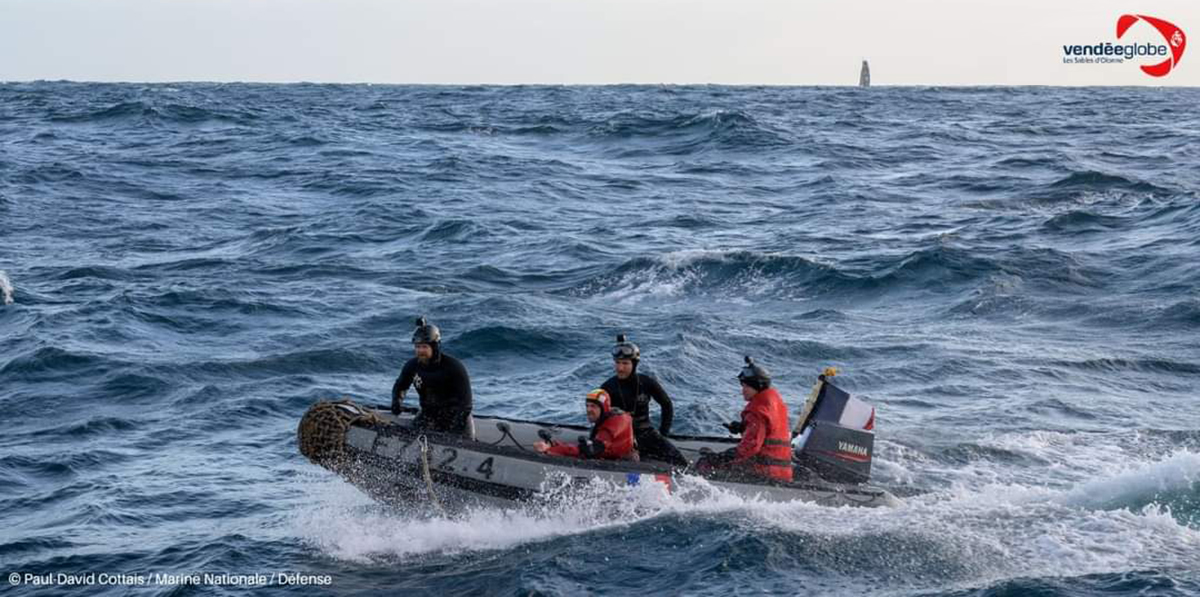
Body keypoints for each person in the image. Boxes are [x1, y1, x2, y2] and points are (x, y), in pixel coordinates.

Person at [698, 356, 793, 482]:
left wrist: (718, 458)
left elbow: (750, 447)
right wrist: (743, 427)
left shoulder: (758, 411)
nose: (742, 391)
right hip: (781, 470)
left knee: (703, 464)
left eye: (746, 387)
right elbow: (768, 431)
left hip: (763, 471)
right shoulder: (774, 403)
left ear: (758, 387)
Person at [599, 334, 688, 467]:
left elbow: (667, 405)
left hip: (647, 433)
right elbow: (598, 416)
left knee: (680, 462)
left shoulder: (646, 383)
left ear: (634, 364)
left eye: (625, 363)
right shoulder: (607, 387)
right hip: (621, 436)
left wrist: (664, 433)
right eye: (617, 363)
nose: (620, 368)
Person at [391, 316, 474, 438]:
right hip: (428, 415)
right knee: (409, 437)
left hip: (457, 418)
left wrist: (453, 430)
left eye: (424, 347)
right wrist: (396, 403)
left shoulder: (454, 367)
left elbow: (466, 404)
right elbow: (400, 386)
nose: (420, 351)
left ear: (434, 347)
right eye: (417, 347)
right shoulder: (412, 366)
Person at [534, 389, 638, 461]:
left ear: (603, 409)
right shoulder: (604, 419)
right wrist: (554, 443)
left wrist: (551, 449)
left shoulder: (613, 424)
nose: (588, 410)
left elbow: (590, 450)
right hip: (612, 456)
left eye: (593, 406)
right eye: (587, 406)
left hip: (623, 463)